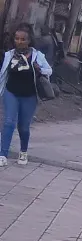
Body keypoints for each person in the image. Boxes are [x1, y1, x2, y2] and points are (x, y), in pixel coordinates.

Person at [0, 25, 53, 167]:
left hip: (29, 96)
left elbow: (49, 70)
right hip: (11, 93)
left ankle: (23, 152)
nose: (19, 41)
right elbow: (3, 74)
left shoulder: (37, 56)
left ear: (29, 41)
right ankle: (2, 154)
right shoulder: (9, 55)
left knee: (23, 126)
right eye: (17, 39)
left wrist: (39, 68)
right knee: (9, 122)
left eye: (23, 39)